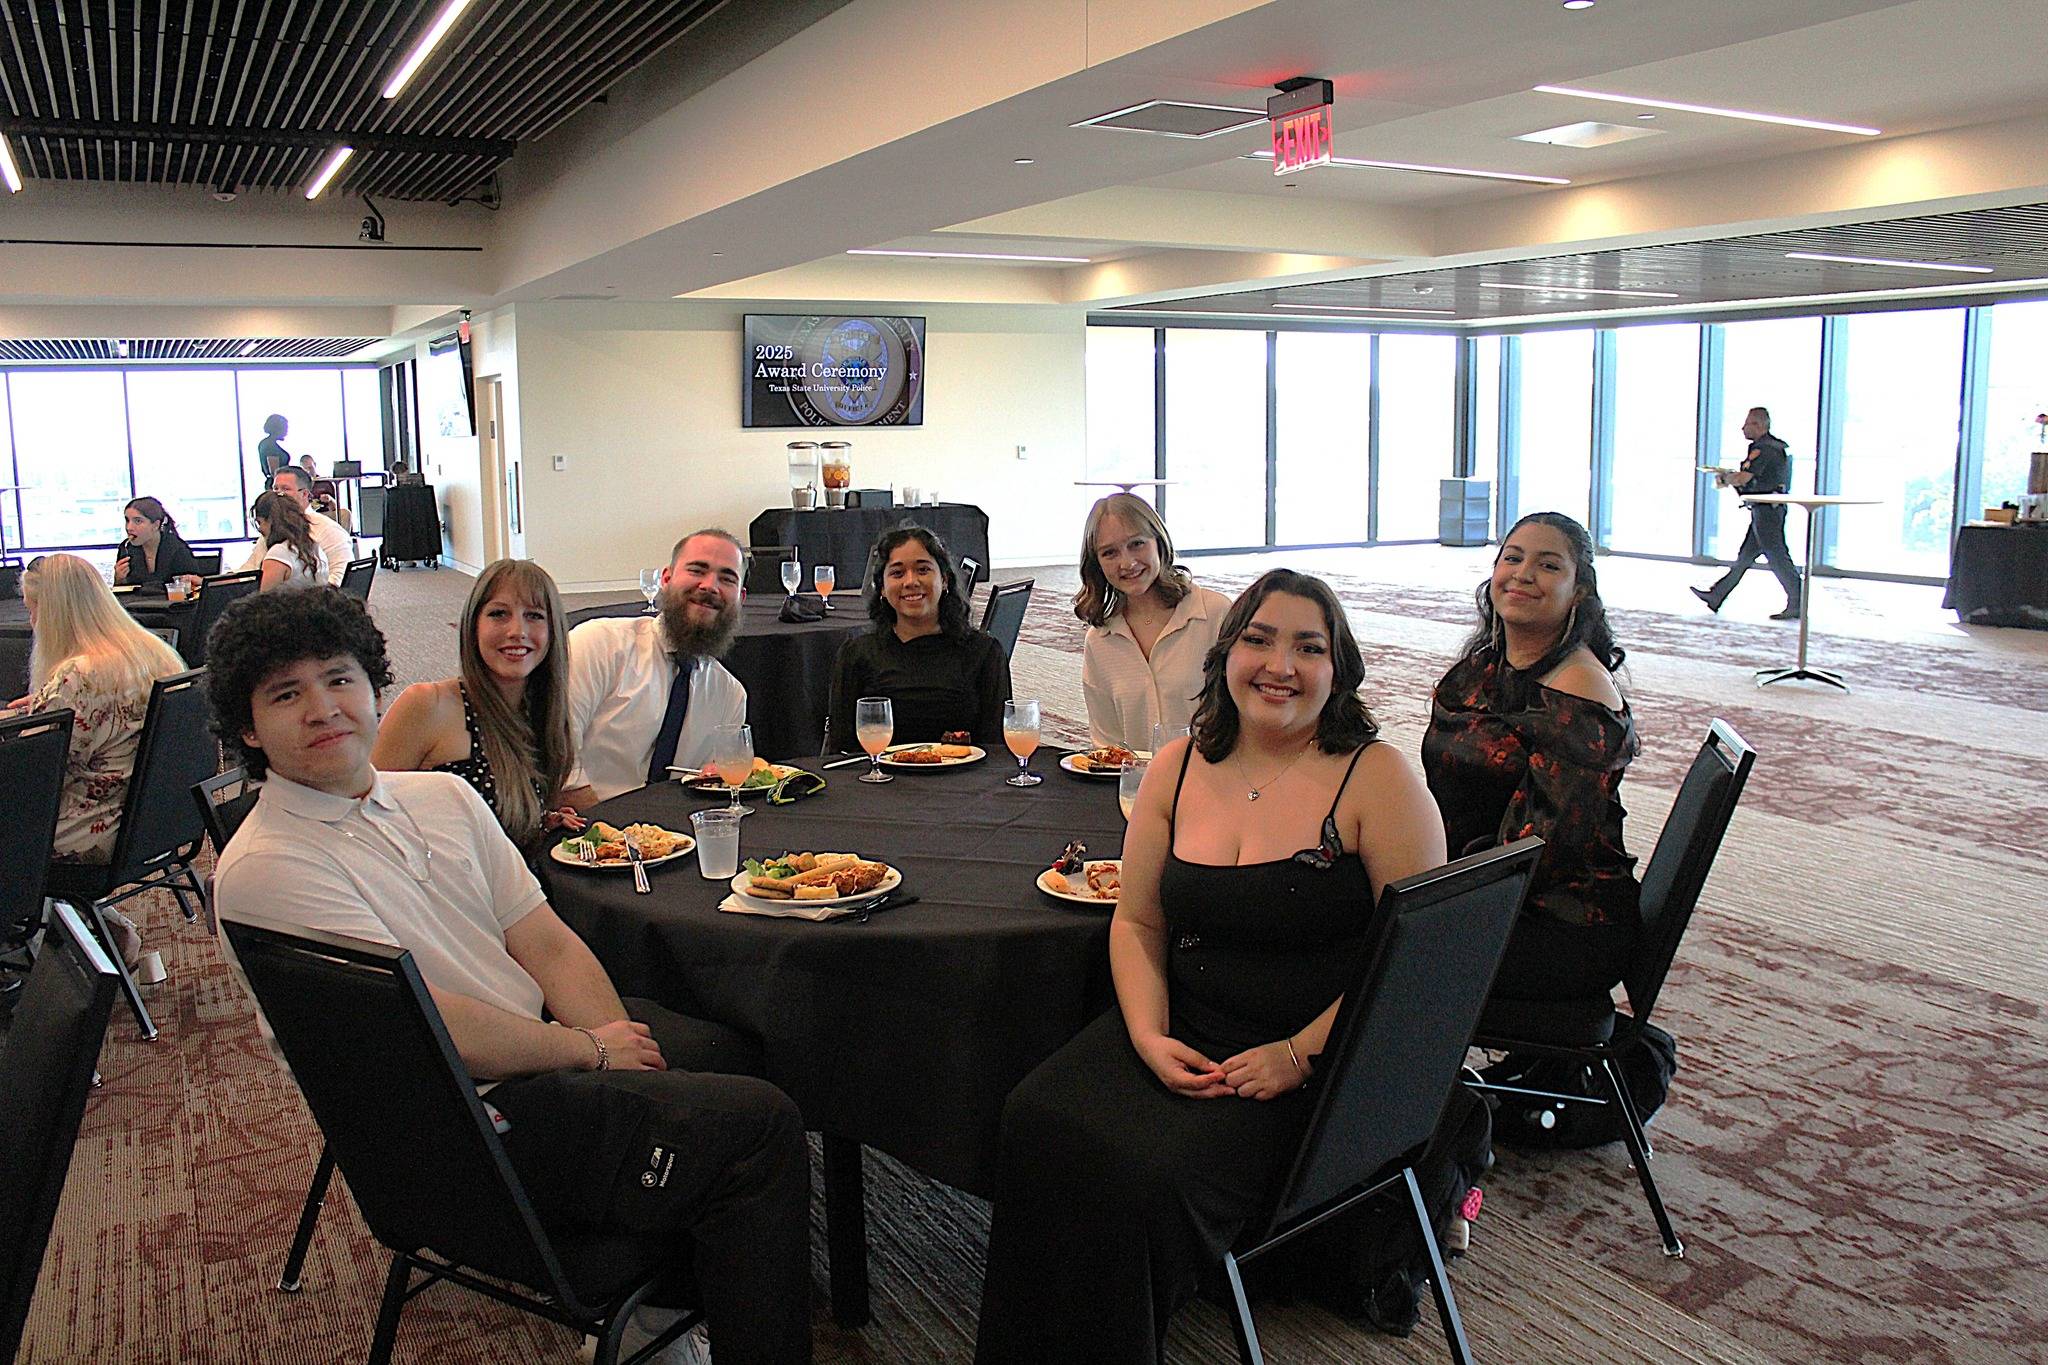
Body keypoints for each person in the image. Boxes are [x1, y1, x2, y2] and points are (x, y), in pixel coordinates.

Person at [207, 587, 812, 1365]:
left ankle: (681, 1304)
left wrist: (610, 1042)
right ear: (248, 725)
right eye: (287, 693)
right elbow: (431, 1025)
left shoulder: (442, 796)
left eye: (338, 678)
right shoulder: (265, 867)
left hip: (540, 1056)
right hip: (457, 1126)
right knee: (754, 1127)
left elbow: (545, 941)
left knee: (735, 1051)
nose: (323, 707)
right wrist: (591, 1057)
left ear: (374, 687)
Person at [974, 569, 1446, 1364]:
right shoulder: (1178, 765)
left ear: (1340, 669)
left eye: (1309, 647)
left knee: (1143, 1177)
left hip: (1314, 1057)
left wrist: (1298, 1056)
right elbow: (1139, 916)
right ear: (1227, 655)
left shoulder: (1380, 778)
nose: (1280, 665)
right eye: (1258, 640)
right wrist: (1149, 1034)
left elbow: (1415, 966)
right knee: (1033, 1116)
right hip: (1186, 1024)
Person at [1422, 512, 1641, 1002]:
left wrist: (1427, 892)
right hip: (1490, 893)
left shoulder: (1579, 690)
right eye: (1512, 559)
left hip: (1558, 921)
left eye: (1547, 566)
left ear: (1579, 591)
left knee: (1356, 947)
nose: (1522, 574)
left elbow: (1541, 853)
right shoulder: (1488, 664)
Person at [4, 554, 187, 966]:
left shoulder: (78, 676)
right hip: (146, 821)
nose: (32, 623)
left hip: (87, 831)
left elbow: (44, 774)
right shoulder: (147, 651)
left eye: (34, 612)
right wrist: (40, 707)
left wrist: (32, 720)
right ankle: (98, 928)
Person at [373, 559, 584, 852]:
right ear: (473, 626)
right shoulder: (427, 706)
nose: (517, 631)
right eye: (499, 614)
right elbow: (364, 820)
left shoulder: (540, 710)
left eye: (534, 615)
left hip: (516, 886)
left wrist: (534, 820)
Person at [560, 530, 749, 808]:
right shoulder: (599, 645)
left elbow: (712, 792)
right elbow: (556, 758)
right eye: (697, 570)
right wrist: (614, 832)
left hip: (673, 837)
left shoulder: (729, 695)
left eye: (727, 578)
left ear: (741, 598)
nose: (710, 586)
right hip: (585, 829)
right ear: (666, 578)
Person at [824, 525, 1010, 753]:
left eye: (922, 570)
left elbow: (997, 751)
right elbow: (840, 749)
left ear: (944, 580)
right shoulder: (857, 655)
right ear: (881, 588)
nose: (910, 581)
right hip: (880, 784)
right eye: (897, 573)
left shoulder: (984, 653)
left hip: (962, 782)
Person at [1075, 493, 1230, 750]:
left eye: (1137, 544)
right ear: (1097, 563)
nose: (1127, 563)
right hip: (1140, 786)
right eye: (1110, 553)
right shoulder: (1100, 641)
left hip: (1213, 779)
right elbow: (1107, 743)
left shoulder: (1215, 614)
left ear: (1159, 542)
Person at [1692, 406, 1802, 620]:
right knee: (1745, 556)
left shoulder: (1766, 449)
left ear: (1759, 425)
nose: (1743, 428)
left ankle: (1797, 600)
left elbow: (1746, 478)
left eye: (1748, 424)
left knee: (1777, 557)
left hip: (1767, 510)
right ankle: (1717, 595)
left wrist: (1726, 478)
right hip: (1764, 509)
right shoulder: (1772, 447)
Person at [240, 467, 352, 586]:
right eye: (275, 489)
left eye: (285, 490)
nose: (278, 495)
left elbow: (342, 578)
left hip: (312, 601)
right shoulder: (272, 528)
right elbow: (249, 569)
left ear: (304, 494)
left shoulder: (328, 530)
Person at [113, 496, 204, 593]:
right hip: (136, 606)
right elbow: (121, 593)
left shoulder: (177, 549)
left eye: (138, 521)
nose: (129, 527)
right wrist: (119, 579)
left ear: (156, 525)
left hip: (172, 606)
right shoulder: (127, 549)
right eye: (127, 520)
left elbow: (195, 590)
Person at [248, 491, 328, 590]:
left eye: (259, 522)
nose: (259, 529)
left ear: (270, 521)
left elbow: (265, 601)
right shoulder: (314, 547)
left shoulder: (278, 553)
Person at [256, 413, 292, 482]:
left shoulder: (266, 443)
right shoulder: (270, 446)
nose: (287, 430)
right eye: (285, 427)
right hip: (278, 484)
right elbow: (275, 472)